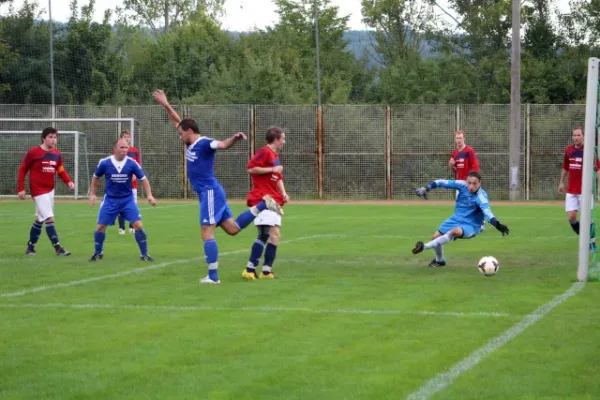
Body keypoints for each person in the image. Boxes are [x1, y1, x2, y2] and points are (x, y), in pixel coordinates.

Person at [153, 89, 283, 284]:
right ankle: (263, 205)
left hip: (210, 192)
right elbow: (176, 120)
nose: (179, 136)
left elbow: (221, 145)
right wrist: (166, 104)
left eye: (181, 133)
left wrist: (235, 138)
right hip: (211, 193)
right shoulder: (190, 143)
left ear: (189, 132)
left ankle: (213, 277)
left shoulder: (204, 143)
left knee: (206, 231)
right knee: (232, 229)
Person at [412, 171, 510, 267]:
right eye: (469, 183)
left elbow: (488, 213)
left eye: (475, 183)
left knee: (454, 232)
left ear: (480, 183)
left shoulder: (481, 197)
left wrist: (498, 225)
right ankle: (440, 261)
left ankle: (424, 247)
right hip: (456, 219)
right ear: (466, 181)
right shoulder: (461, 185)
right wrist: (426, 188)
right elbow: (441, 182)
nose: (471, 186)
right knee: (435, 238)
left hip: (471, 225)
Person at [88, 139, 157, 262]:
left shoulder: (132, 163)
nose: (125, 150)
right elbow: (95, 178)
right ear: (115, 149)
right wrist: (93, 194)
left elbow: (144, 179)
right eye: (122, 147)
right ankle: (98, 253)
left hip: (127, 200)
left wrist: (149, 195)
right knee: (100, 227)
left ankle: (144, 254)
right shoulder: (105, 163)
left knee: (138, 225)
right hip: (110, 200)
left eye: (126, 148)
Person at [17, 127, 75, 256]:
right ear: (43, 138)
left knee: (40, 218)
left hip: (50, 190)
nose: (53, 140)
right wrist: (21, 188)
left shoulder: (57, 154)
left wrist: (69, 181)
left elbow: (60, 170)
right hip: (38, 190)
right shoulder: (34, 152)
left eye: (55, 137)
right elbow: (22, 169)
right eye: (50, 137)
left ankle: (30, 247)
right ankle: (58, 248)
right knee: (50, 218)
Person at [242, 126, 289, 280]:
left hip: (273, 200)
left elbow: (278, 177)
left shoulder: (275, 156)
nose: (284, 141)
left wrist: (283, 193)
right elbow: (250, 168)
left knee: (275, 236)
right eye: (282, 138)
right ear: (275, 139)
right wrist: (271, 169)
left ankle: (266, 271)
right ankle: (249, 269)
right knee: (265, 234)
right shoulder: (264, 152)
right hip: (263, 198)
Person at [558, 126, 599, 252]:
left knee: (588, 219)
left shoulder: (589, 151)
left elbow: (597, 169)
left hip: (585, 191)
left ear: (583, 136)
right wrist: (561, 183)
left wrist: (599, 188)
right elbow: (566, 167)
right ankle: (586, 239)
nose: (576, 137)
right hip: (571, 190)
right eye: (574, 135)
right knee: (571, 218)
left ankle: (592, 243)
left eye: (578, 135)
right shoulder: (569, 150)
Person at [449, 130, 484, 231]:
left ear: (464, 138)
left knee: (474, 203)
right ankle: (462, 223)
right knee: (460, 204)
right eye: (457, 138)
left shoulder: (469, 151)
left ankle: (481, 222)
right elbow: (455, 170)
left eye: (460, 138)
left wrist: (473, 181)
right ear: (455, 139)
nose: (459, 140)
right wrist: (451, 166)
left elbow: (475, 166)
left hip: (469, 183)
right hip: (459, 183)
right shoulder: (454, 153)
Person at [116, 130, 141, 235]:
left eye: (128, 137)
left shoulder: (134, 151)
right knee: (120, 205)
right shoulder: (117, 151)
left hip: (132, 185)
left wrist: (135, 174)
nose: (127, 138)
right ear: (121, 139)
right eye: (125, 137)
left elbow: (138, 165)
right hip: (120, 183)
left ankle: (132, 226)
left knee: (133, 205)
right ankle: (121, 227)